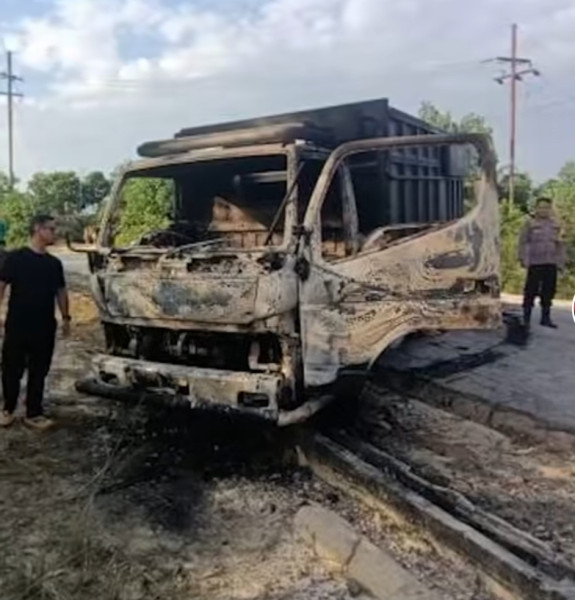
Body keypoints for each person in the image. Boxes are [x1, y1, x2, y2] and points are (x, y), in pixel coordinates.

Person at [0, 214, 71, 430]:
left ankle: (34, 412)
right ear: (38, 229)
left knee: (39, 370)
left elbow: (61, 291)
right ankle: (7, 410)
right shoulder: (15, 258)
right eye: (51, 228)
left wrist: (66, 318)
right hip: (18, 324)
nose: (54, 233)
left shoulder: (54, 264)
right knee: (12, 368)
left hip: (45, 326)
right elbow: (1, 286)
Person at [518, 197, 566, 329]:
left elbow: (560, 244)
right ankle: (526, 318)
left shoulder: (556, 225)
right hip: (534, 262)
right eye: (541, 207)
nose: (543, 210)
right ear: (536, 208)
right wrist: (523, 258)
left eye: (546, 207)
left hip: (551, 262)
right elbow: (523, 242)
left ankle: (545, 318)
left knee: (548, 291)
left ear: (550, 209)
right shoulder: (530, 223)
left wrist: (561, 262)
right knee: (530, 290)